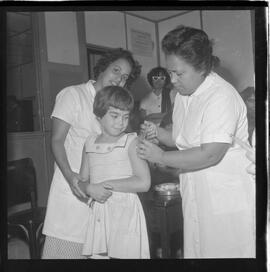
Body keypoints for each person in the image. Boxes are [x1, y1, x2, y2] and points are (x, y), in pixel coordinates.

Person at [137, 25, 255, 258]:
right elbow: (183, 138)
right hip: (196, 191)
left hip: (225, 196)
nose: (172, 80)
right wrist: (158, 133)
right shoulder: (183, 94)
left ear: (202, 68)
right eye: (170, 72)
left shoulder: (221, 96)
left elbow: (210, 153)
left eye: (178, 74)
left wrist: (160, 156)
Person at [42, 48, 141, 259]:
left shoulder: (116, 105)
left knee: (100, 250)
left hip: (103, 196)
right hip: (73, 186)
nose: (118, 79)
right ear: (102, 67)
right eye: (116, 70)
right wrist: (72, 179)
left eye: (124, 77)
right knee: (67, 250)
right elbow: (57, 140)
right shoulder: (73, 94)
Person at [77, 86, 151, 259]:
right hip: (100, 213)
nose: (121, 122)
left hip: (126, 212)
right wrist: (89, 189)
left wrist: (106, 185)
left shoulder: (131, 141)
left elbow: (144, 182)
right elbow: (81, 180)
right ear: (98, 116)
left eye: (126, 116)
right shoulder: (89, 143)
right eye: (115, 116)